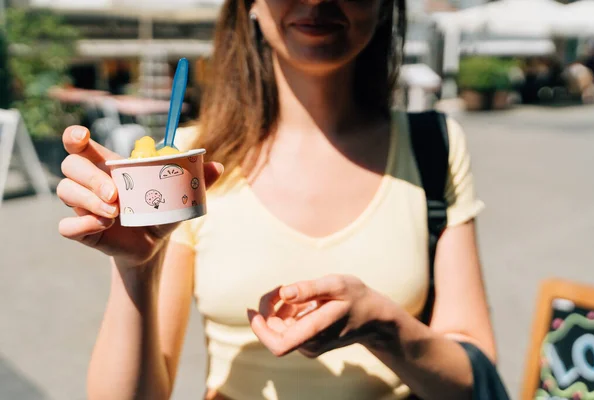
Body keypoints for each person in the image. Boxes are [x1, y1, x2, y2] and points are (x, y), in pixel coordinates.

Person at [57, 0, 496, 398]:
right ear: (250, 5)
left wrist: (384, 327)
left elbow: (473, 378)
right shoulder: (188, 167)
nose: (318, 1)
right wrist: (136, 269)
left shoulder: (434, 145)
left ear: (385, 7)